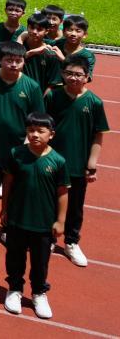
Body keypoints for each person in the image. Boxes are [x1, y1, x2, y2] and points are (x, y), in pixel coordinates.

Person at [1, 112, 69, 319]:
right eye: (31, 130)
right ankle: (14, 289)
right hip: (17, 218)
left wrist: (60, 221)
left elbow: (63, 193)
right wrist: (4, 209)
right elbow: (8, 183)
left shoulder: (58, 161)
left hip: (43, 223)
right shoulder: (16, 154)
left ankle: (39, 292)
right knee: (15, 257)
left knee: (40, 262)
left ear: (51, 134)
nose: (35, 135)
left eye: (41, 131)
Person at [0, 41, 45, 246]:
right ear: (0, 60)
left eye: (18, 60)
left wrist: (27, 144)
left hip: (18, 149)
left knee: (15, 191)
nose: (14, 64)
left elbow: (37, 119)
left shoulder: (32, 86)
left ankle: (8, 228)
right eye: (9, 60)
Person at [46, 55, 108, 268]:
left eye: (78, 74)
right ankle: (49, 238)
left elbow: (98, 135)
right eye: (69, 73)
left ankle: (71, 241)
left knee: (75, 205)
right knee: (49, 201)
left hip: (77, 164)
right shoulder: (53, 96)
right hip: (52, 161)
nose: (73, 78)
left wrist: (92, 164)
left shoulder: (94, 102)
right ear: (62, 74)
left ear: (87, 76)